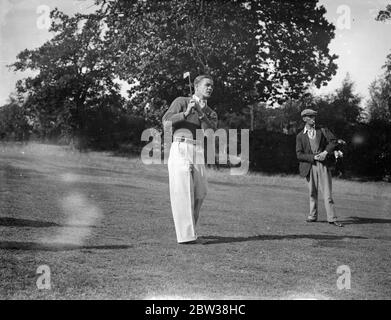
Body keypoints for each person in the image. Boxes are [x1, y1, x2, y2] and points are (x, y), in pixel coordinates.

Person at [162, 75, 218, 244]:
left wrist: (201, 114)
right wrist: (185, 113)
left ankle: (189, 231)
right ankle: (187, 237)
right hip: (180, 147)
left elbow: (210, 131)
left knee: (200, 193)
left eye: (212, 86)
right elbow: (166, 121)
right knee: (183, 191)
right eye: (207, 85)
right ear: (196, 87)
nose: (210, 88)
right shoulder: (182, 101)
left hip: (198, 150)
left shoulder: (211, 112)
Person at [296, 108, 344, 227]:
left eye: (314, 117)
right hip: (309, 166)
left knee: (327, 193)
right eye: (310, 117)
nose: (313, 119)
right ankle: (312, 216)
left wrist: (325, 153)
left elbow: (333, 141)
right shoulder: (300, 136)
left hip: (323, 165)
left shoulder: (322, 130)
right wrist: (314, 157)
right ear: (304, 119)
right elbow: (299, 155)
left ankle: (332, 218)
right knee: (312, 192)